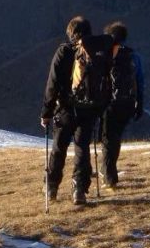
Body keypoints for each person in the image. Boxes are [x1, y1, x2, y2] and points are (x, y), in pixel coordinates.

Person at [40, 16, 113, 205]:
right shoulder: (97, 51)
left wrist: (46, 112)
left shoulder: (63, 52)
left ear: (71, 33)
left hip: (64, 108)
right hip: (89, 108)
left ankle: (51, 187)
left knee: (59, 148)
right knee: (82, 148)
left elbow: (52, 84)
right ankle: (79, 189)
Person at [99, 21, 145, 189]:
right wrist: (139, 104)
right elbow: (140, 82)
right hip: (127, 103)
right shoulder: (134, 57)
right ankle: (109, 171)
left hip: (109, 103)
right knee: (115, 137)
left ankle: (109, 176)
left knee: (107, 138)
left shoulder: (106, 55)